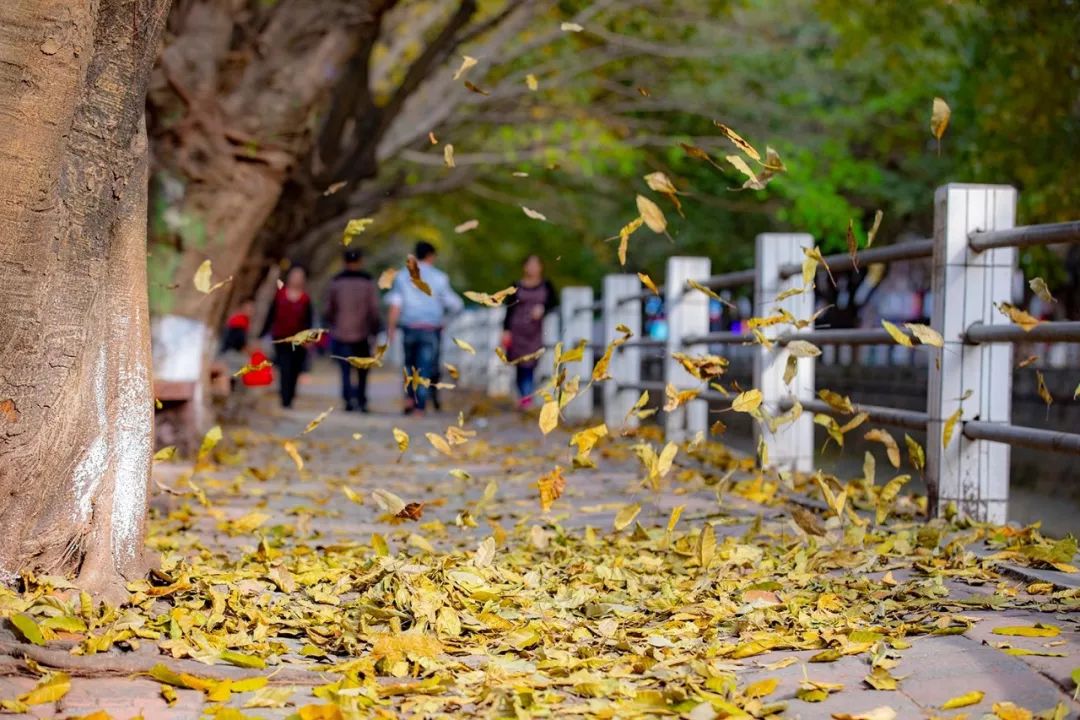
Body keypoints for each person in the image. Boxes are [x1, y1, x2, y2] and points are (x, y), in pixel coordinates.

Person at [386, 242, 463, 415]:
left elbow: (395, 304)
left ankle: (408, 398)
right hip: (430, 328)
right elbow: (456, 305)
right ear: (431, 256)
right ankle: (419, 406)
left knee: (409, 365)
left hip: (409, 328)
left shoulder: (402, 276)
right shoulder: (440, 278)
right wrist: (445, 320)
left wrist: (390, 328)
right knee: (425, 367)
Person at [324, 248, 381, 412]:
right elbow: (374, 309)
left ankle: (348, 399)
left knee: (345, 369)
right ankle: (362, 400)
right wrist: (375, 329)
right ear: (360, 262)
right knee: (363, 369)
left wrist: (332, 323)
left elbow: (329, 308)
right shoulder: (367, 282)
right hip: (362, 332)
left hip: (342, 332)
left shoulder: (336, 282)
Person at [501, 254, 557, 408]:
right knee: (521, 364)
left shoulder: (547, 286)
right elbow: (509, 310)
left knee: (531, 363)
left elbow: (554, 303)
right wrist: (506, 330)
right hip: (517, 330)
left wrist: (543, 309)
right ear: (524, 267)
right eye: (529, 265)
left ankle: (526, 397)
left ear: (541, 267)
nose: (532, 268)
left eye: (536, 265)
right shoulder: (516, 286)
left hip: (536, 331)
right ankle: (526, 398)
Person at [260, 265, 313, 408]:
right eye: (294, 275)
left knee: (295, 368)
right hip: (281, 337)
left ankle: (290, 396)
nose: (296, 279)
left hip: (298, 340)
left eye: (300, 276)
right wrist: (263, 333)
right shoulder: (280, 295)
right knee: (284, 367)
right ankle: (284, 398)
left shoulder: (305, 299)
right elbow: (271, 315)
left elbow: (308, 320)